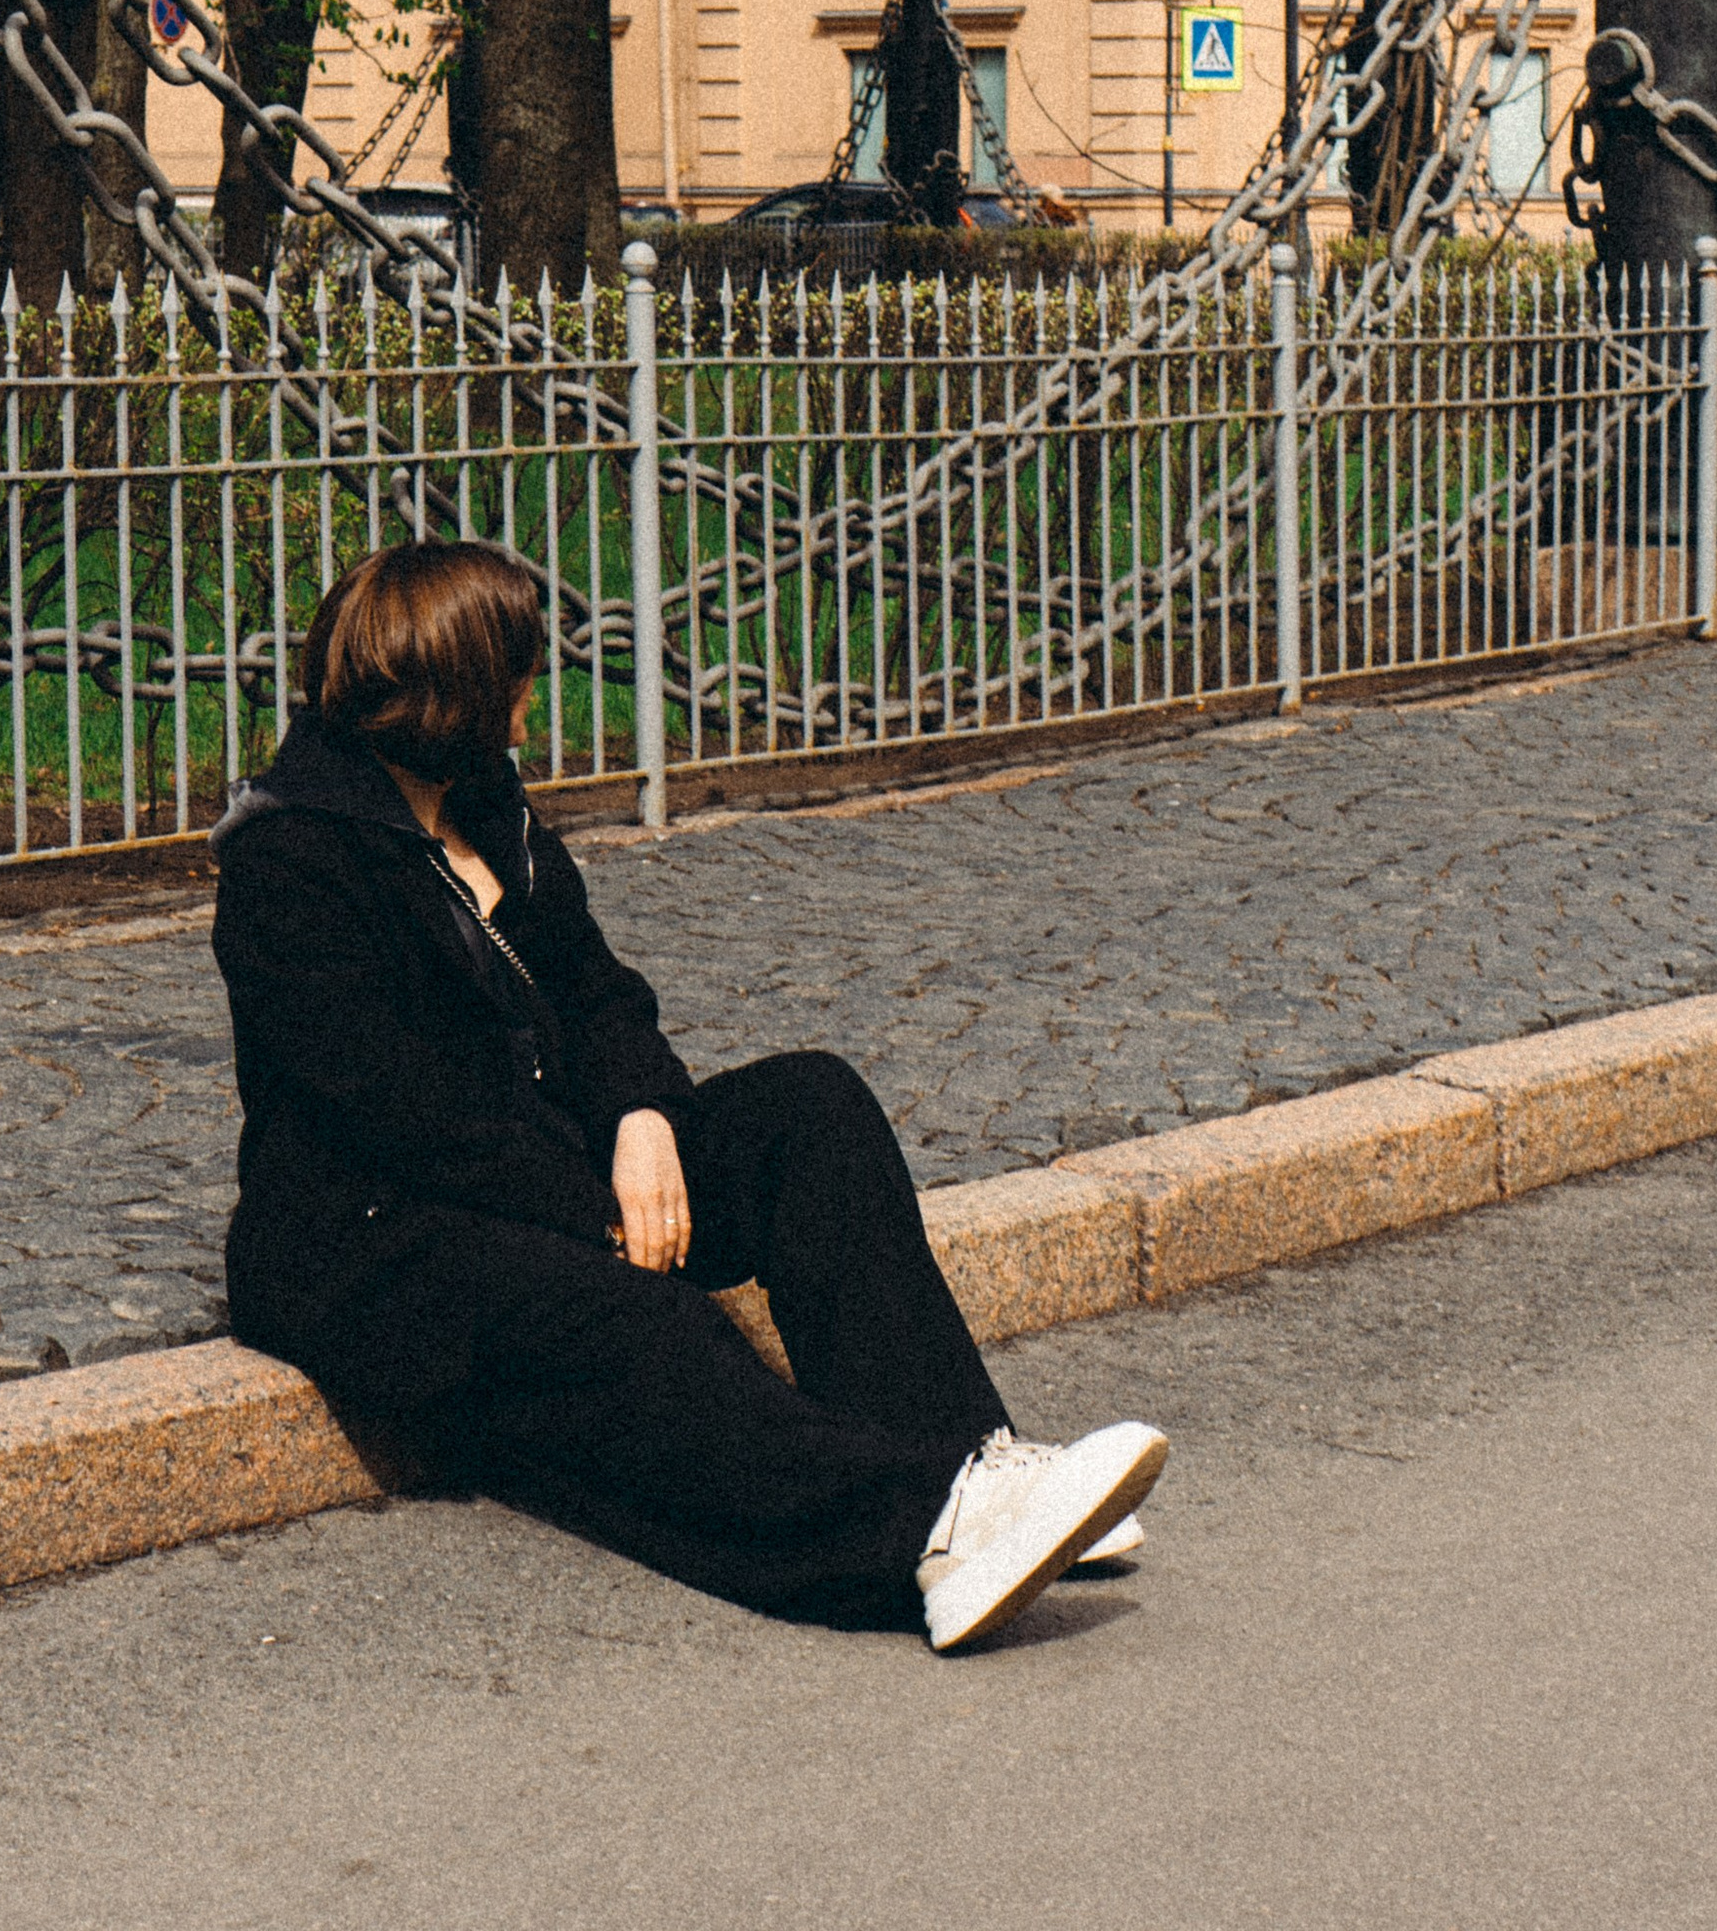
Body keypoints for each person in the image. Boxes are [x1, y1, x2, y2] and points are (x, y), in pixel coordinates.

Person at [212, 537, 1165, 1652]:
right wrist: (599, 1210)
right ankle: (922, 1534)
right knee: (643, 1321)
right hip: (378, 1244)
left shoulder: (486, 811)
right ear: (457, 687)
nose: (534, 696)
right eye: (519, 672)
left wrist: (643, 1124)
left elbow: (600, 995)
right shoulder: (292, 863)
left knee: (808, 1110)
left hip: (555, 1170)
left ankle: (971, 1467)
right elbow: (402, 1114)